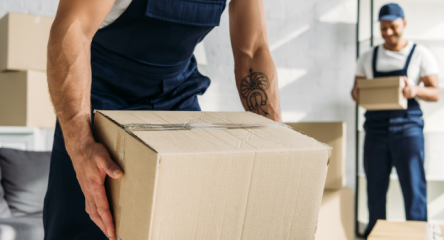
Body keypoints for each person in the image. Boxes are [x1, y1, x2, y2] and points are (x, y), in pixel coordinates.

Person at [43, 0, 281, 239]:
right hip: (101, 98)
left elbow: (253, 51)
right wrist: (81, 144)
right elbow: (74, 27)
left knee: (185, 224)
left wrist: (277, 139)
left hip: (177, 98)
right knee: (90, 223)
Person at [351, 3, 440, 237]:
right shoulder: (368, 57)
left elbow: (435, 92)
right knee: (375, 187)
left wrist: (415, 91)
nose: (388, 32)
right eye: (383, 28)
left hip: (408, 129)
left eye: (393, 27)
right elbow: (355, 93)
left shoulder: (420, 54)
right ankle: (376, 234)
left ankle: (418, 233)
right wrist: (363, 92)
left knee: (413, 187)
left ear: (404, 23)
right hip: (376, 131)